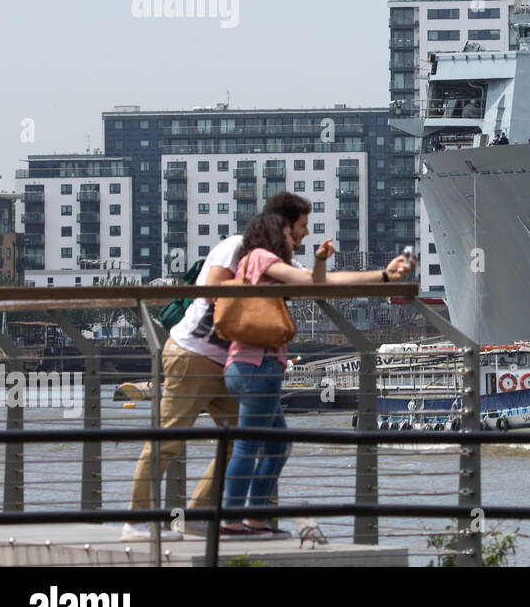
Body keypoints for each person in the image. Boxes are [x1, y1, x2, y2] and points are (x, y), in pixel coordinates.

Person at [121, 192, 314, 542]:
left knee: (240, 441)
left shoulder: (276, 260)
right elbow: (211, 290)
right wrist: (256, 279)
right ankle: (137, 522)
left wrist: (383, 276)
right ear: (285, 224)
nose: (305, 233)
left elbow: (314, 282)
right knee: (168, 439)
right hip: (193, 354)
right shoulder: (238, 247)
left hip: (230, 365)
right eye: (302, 225)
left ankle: (196, 516)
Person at [220, 213, 411, 535]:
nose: (301, 235)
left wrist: (379, 276)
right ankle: (232, 521)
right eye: (296, 229)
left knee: (276, 447)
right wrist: (380, 275)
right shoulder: (263, 258)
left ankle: (251, 518)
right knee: (248, 445)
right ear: (277, 232)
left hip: (247, 365)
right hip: (257, 366)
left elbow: (321, 282)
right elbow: (313, 280)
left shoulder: (253, 265)